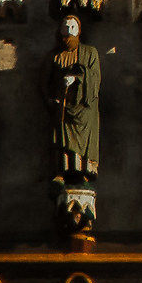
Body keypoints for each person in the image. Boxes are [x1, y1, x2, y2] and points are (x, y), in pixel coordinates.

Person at [50, 16, 102, 188]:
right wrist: (52, 96)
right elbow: (46, 80)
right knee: (62, 137)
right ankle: (62, 170)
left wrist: (77, 78)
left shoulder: (90, 52)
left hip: (84, 108)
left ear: (79, 30)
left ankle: (84, 171)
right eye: (66, 26)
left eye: (73, 26)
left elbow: (95, 76)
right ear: (60, 30)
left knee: (84, 139)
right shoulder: (56, 56)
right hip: (63, 104)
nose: (69, 30)